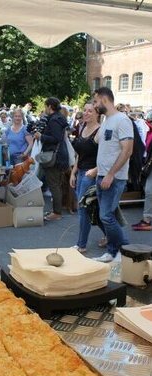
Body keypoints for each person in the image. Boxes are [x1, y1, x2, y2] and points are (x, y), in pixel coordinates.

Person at [92, 87, 134, 263]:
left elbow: (127, 150)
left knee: (106, 216)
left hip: (114, 177)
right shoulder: (107, 120)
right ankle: (116, 251)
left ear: (104, 99)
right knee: (106, 215)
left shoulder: (122, 120)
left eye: (95, 101)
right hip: (102, 176)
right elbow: (96, 142)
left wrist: (110, 174)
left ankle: (122, 250)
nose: (94, 105)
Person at [70, 102, 105, 253]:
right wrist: (73, 172)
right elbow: (80, 154)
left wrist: (96, 171)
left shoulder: (100, 131)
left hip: (91, 174)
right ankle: (110, 234)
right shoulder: (82, 127)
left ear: (98, 114)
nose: (86, 113)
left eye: (90, 111)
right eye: (85, 110)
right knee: (91, 209)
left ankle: (81, 244)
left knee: (83, 209)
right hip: (81, 171)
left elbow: (106, 156)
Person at [34, 97, 69, 221]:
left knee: (54, 184)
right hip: (60, 155)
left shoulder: (54, 120)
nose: (45, 109)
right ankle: (56, 210)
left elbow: (55, 138)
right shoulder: (59, 118)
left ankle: (57, 213)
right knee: (56, 184)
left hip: (54, 155)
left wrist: (41, 136)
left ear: (49, 106)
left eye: (45, 106)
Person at [131, 131, 152, 231]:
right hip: (150, 166)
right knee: (149, 191)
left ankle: (147, 219)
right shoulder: (149, 132)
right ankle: (147, 219)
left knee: (149, 191)